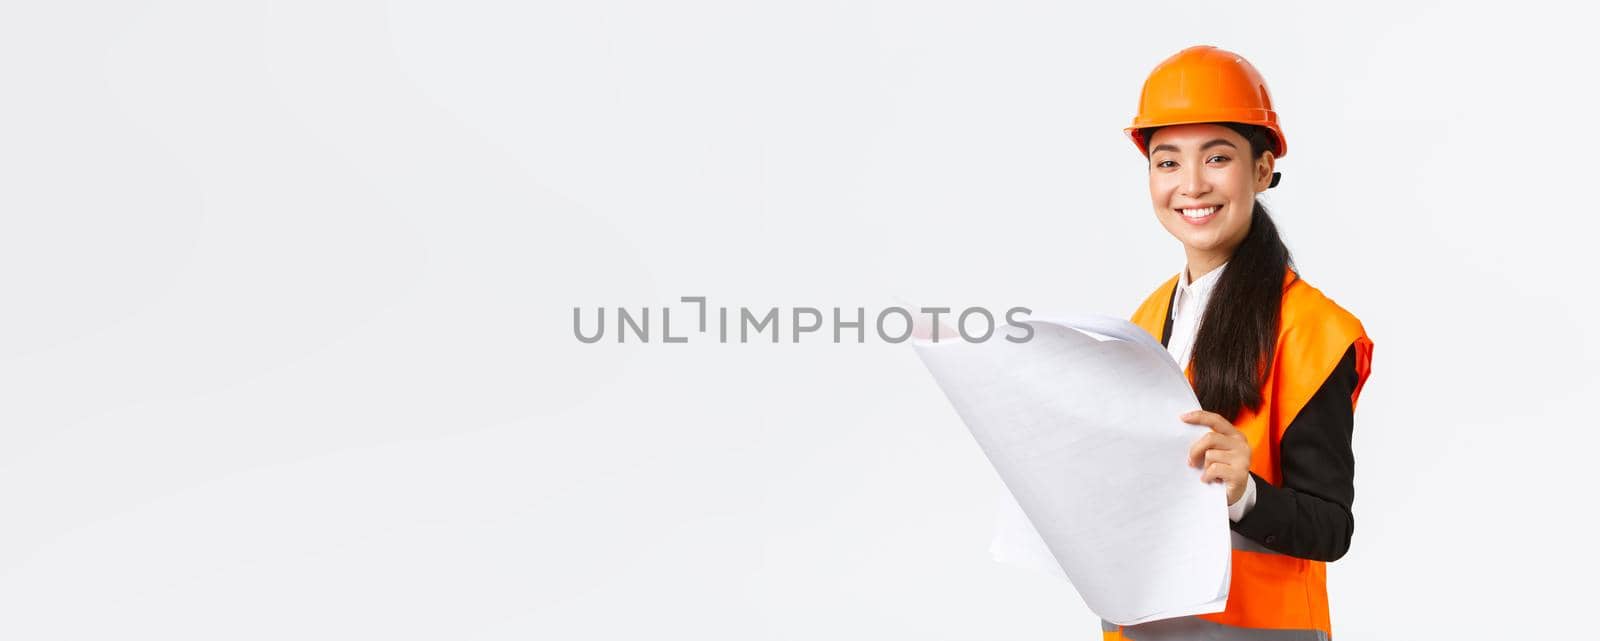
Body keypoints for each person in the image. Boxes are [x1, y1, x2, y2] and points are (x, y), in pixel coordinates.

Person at [1102, 46, 1375, 640]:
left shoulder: (1314, 330)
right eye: (1167, 162)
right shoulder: (1143, 323)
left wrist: (1246, 493)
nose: (1191, 185)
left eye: (1217, 157)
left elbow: (1330, 528)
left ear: (1261, 168)